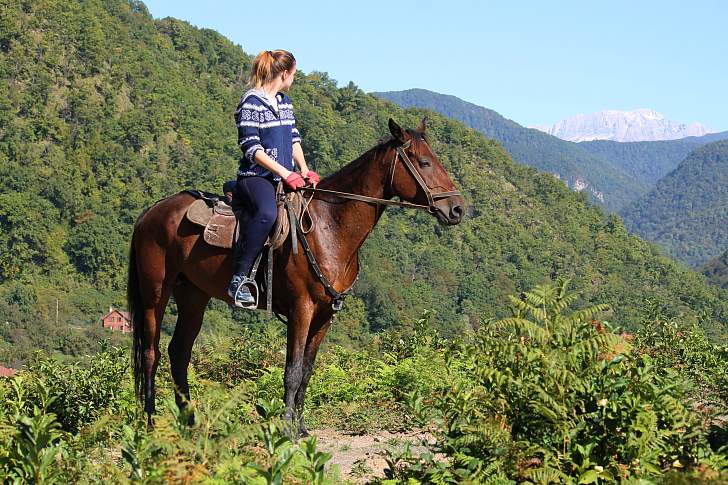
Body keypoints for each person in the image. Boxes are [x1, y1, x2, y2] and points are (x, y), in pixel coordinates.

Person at [228, 50, 319, 308]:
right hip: (255, 177)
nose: (293, 79)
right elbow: (252, 149)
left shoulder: (285, 102)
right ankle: (239, 279)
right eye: (294, 74)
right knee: (267, 213)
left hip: (285, 177)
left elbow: (293, 139)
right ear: (284, 73)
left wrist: (303, 168)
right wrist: (284, 173)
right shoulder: (251, 102)